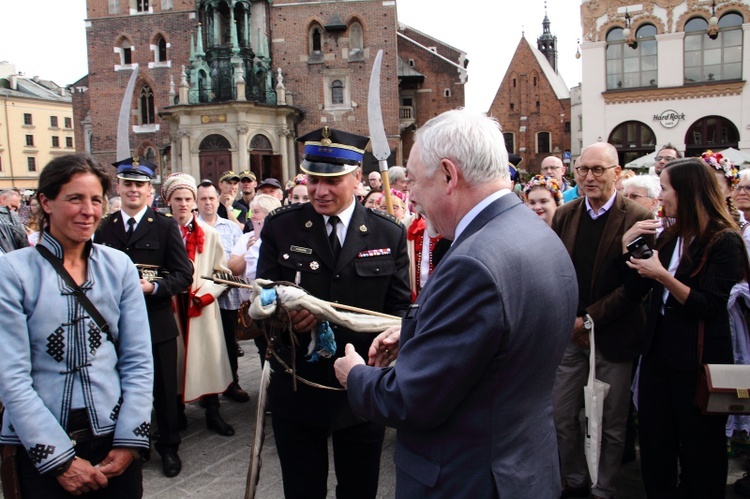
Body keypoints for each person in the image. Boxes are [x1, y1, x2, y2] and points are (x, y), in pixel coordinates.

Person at [334, 109, 578, 497]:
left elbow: (410, 400)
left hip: (467, 477)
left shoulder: (472, 262)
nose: (409, 195)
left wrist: (356, 375)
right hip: (522, 467)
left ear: (449, 175)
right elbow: (500, 339)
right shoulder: (535, 231)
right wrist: (416, 333)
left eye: (414, 180)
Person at [256, 126, 411, 499]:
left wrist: (394, 342)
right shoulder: (282, 226)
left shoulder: (387, 233)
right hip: (298, 385)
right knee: (302, 488)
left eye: (333, 180)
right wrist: (285, 318)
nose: (320, 191)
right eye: (313, 179)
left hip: (360, 390)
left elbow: (401, 309)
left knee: (359, 489)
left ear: (357, 177)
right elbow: (260, 301)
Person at [0, 153, 153, 497]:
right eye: (75, 199)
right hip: (41, 445)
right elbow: (11, 376)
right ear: (46, 202)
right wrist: (59, 461)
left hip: (114, 440)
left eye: (96, 200)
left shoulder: (119, 267)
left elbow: (138, 360)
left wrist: (130, 440)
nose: (88, 211)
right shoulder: (12, 271)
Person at [621, 157, 747, 498]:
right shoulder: (670, 235)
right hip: (658, 356)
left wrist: (663, 275)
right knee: (655, 444)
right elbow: (637, 289)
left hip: (696, 360)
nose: (660, 197)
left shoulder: (724, 241)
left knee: (700, 451)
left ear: (688, 192)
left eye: (665, 189)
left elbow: (708, 305)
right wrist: (628, 246)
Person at [551, 142, 653, 499]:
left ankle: (604, 488)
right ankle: (576, 480)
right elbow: (556, 273)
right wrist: (572, 321)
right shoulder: (565, 214)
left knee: (610, 421)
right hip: (570, 334)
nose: (589, 177)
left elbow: (636, 285)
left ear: (617, 173)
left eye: (598, 170)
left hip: (613, 335)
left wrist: (589, 320)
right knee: (562, 415)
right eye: (583, 169)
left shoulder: (638, 217)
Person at [94, 156, 193, 478]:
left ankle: (169, 447)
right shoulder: (104, 227)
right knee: (120, 389)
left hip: (156, 321)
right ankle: (132, 445)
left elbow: (183, 275)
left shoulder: (163, 227)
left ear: (149, 189)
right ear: (119, 187)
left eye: (140, 184)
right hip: (115, 325)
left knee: (163, 390)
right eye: (128, 184)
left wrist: (153, 287)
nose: (133, 190)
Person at [162, 173, 236, 436]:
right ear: (168, 201)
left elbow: (222, 273)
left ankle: (213, 412)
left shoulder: (209, 233)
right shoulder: (161, 231)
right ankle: (177, 413)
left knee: (207, 358)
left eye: (187, 199)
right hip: (171, 305)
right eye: (178, 199)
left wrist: (207, 294)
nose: (183, 204)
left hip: (200, 306)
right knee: (176, 360)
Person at [195, 181, 250, 402]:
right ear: (196, 202)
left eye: (211, 198)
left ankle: (231, 382)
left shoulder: (231, 228)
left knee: (229, 342)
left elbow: (240, 260)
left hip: (228, 297)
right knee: (204, 345)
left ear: (218, 200)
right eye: (203, 199)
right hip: (202, 298)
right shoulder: (193, 228)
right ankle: (206, 391)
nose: (208, 203)